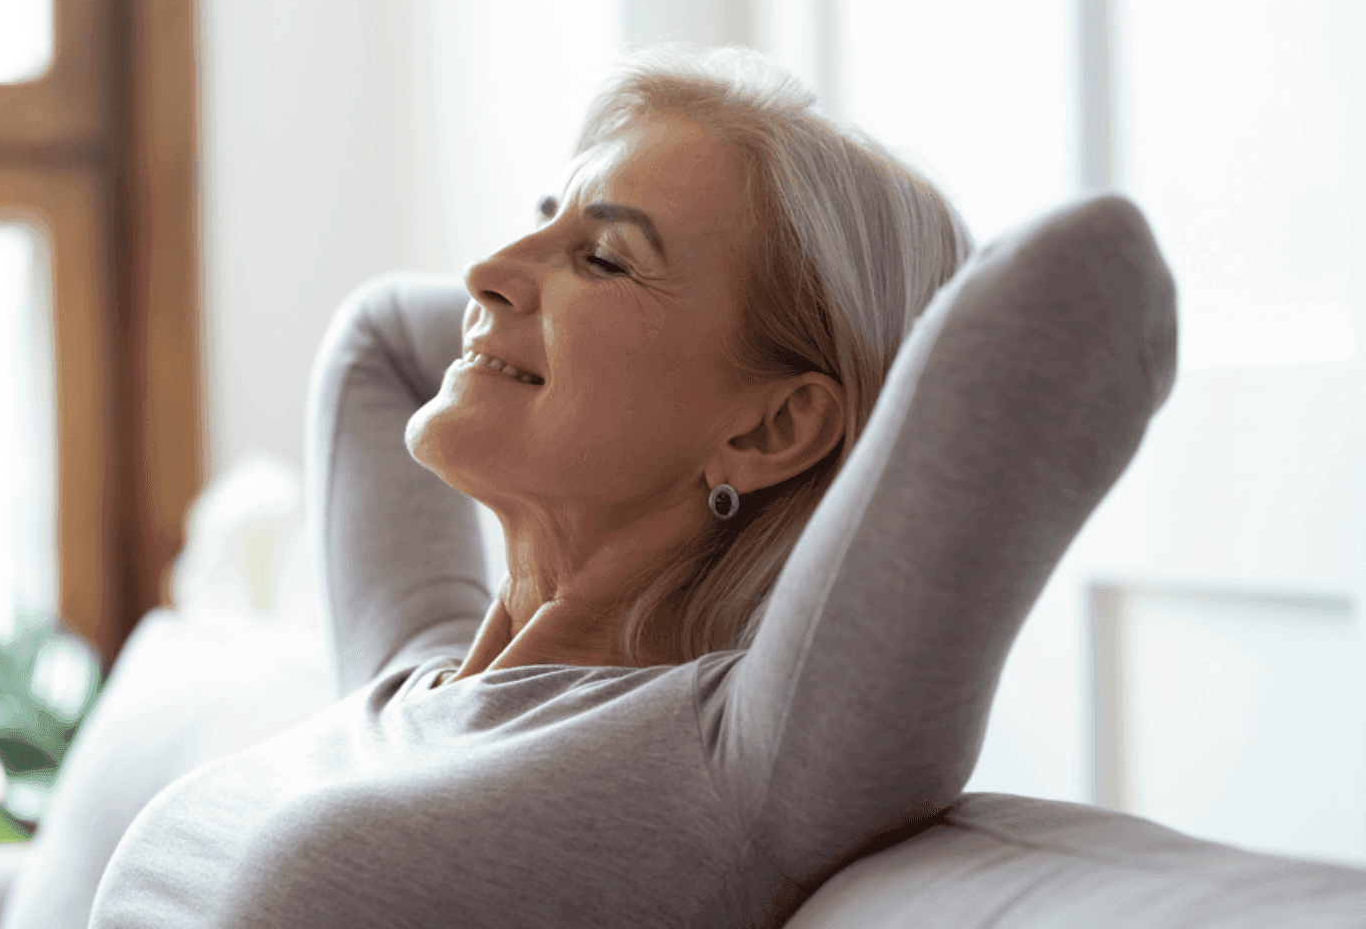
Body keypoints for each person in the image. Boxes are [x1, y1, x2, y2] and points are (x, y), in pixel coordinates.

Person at [87, 45, 1169, 928]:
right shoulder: (410, 675)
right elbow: (384, 340)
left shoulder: (742, 758)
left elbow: (1086, 282)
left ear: (773, 424)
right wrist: (565, 288)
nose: (489, 268)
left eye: (603, 257)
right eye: (542, 216)